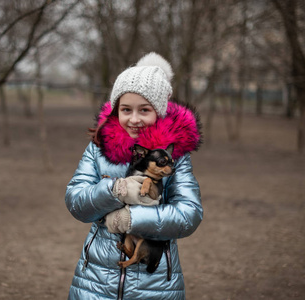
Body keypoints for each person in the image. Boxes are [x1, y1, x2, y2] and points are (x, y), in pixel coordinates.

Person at [65, 52, 203, 300]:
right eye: (126, 109)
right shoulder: (98, 148)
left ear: (159, 111)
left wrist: (131, 218)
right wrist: (113, 190)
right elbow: (76, 201)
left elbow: (189, 214)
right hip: (94, 280)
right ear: (116, 109)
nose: (134, 119)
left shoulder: (174, 156)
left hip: (157, 283)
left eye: (145, 110)